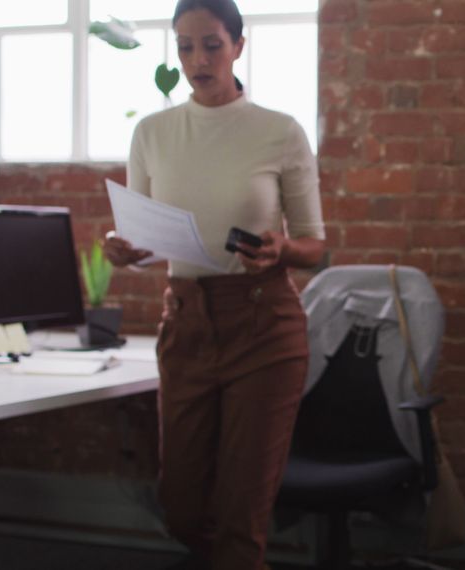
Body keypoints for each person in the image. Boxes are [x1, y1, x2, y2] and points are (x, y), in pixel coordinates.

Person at [103, 0, 324, 568]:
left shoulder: (278, 131)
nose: (197, 60)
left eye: (211, 45)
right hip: (187, 326)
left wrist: (281, 251)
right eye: (184, 47)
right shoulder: (152, 133)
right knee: (180, 506)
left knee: (239, 520)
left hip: (263, 328)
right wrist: (125, 250)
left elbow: (315, 247)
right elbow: (148, 235)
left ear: (238, 47)